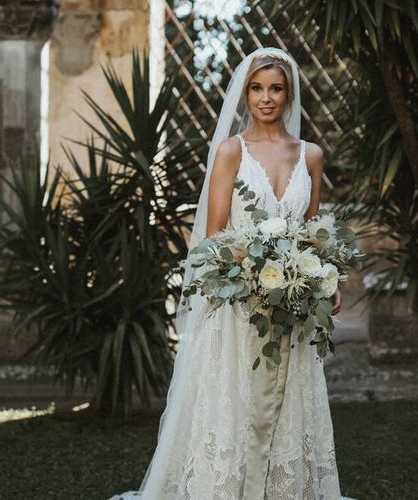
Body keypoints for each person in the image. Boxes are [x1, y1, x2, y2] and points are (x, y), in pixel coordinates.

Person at [110, 47, 353, 499]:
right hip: (239, 308)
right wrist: (256, 269)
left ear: (289, 94)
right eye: (257, 89)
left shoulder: (312, 155)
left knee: (289, 401)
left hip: (294, 308)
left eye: (276, 88)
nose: (266, 98)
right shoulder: (230, 151)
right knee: (234, 404)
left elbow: (313, 233)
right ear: (245, 95)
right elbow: (214, 236)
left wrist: (324, 278)